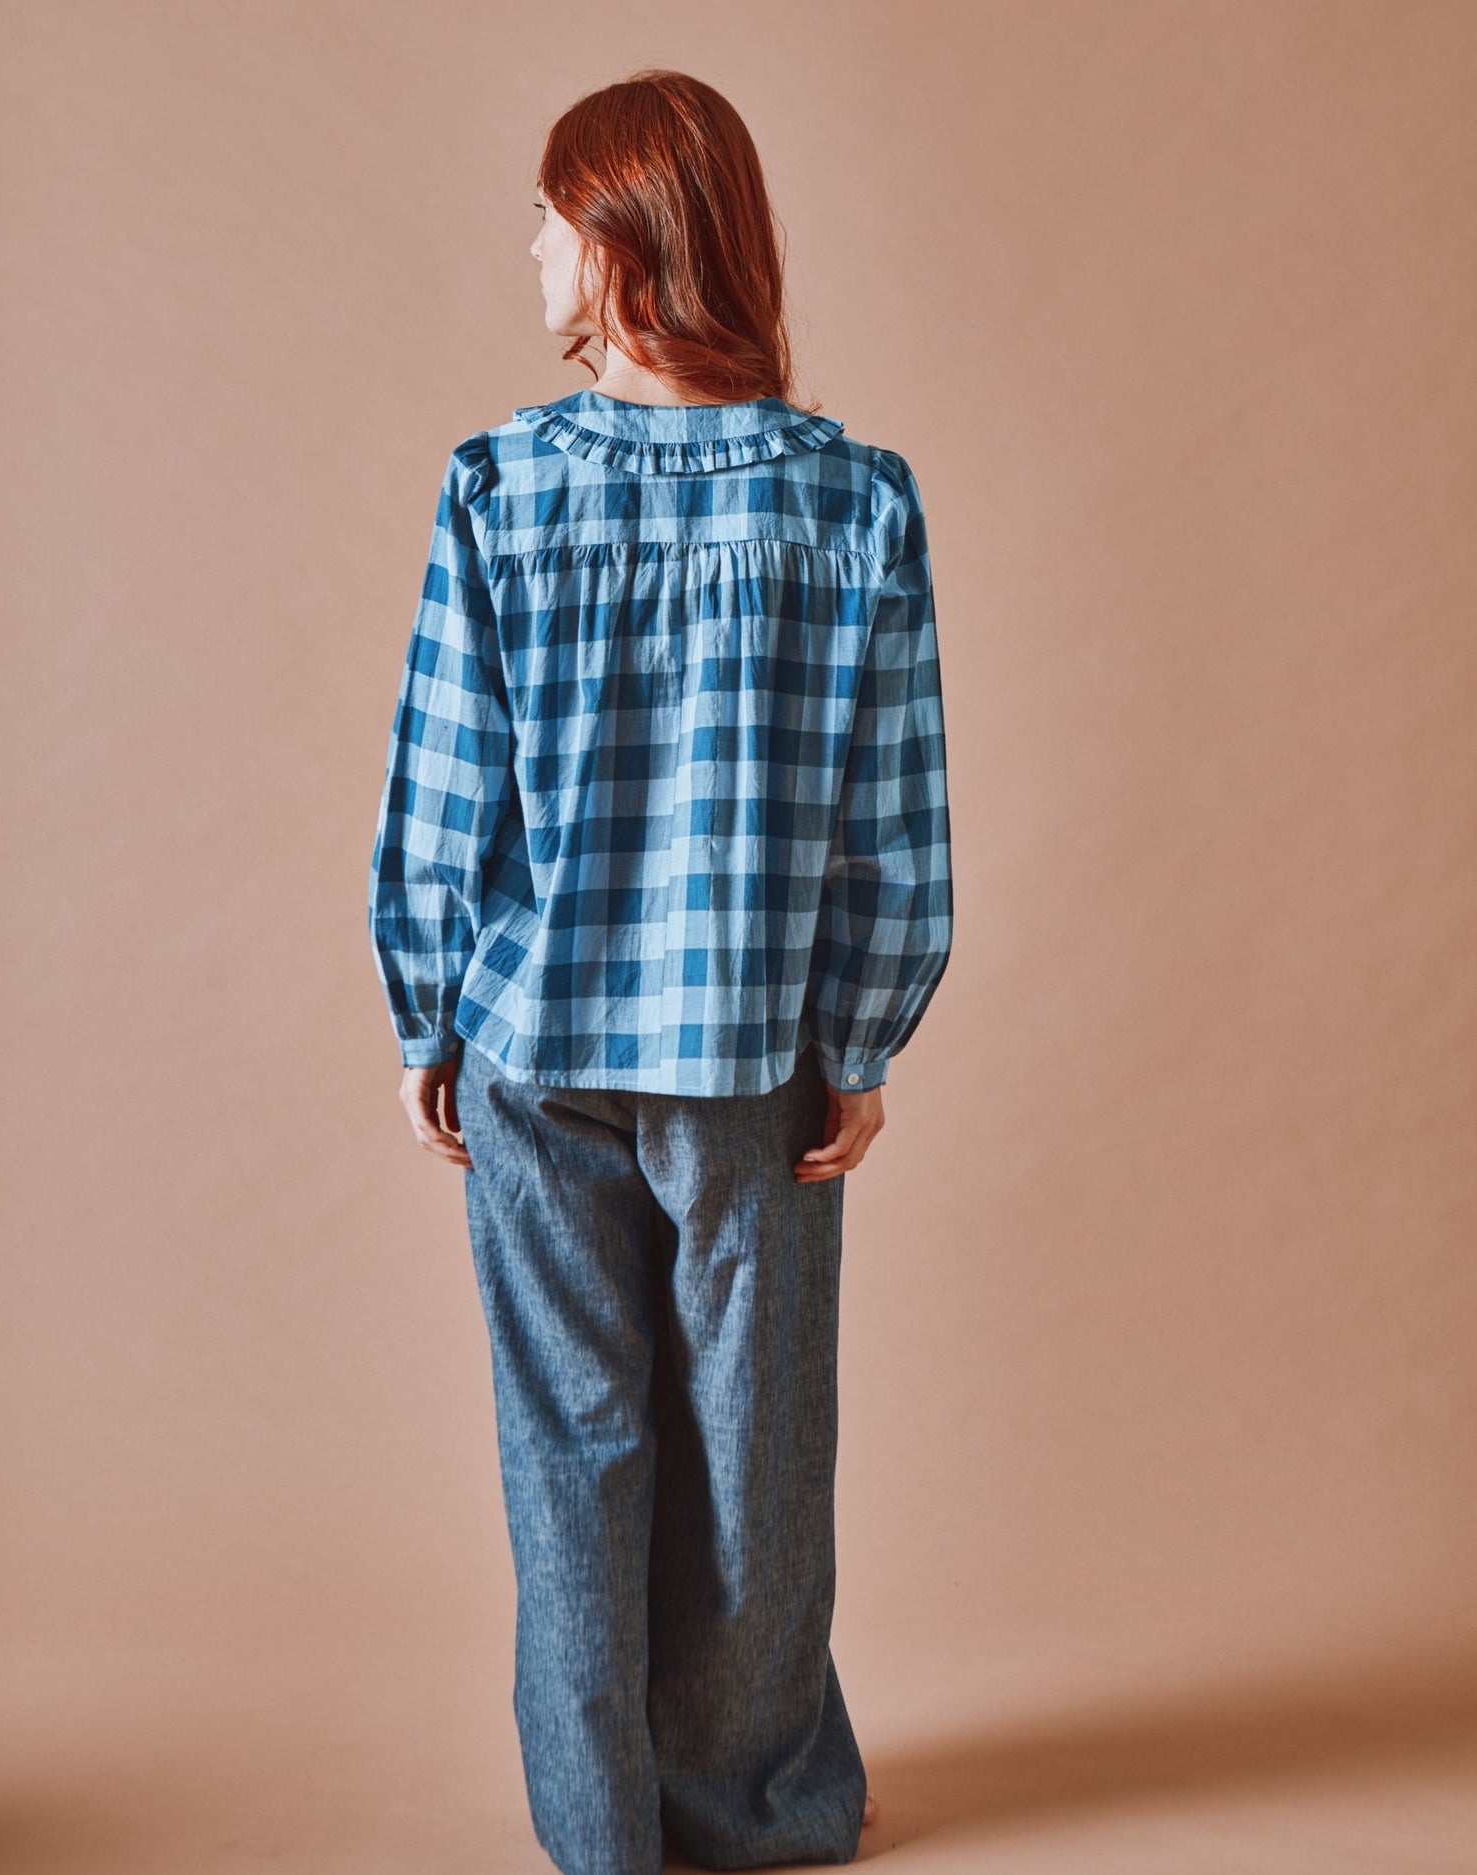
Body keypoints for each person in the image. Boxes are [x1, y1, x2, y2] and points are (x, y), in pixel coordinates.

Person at [367, 67, 953, 1875]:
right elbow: (889, 821)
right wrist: (860, 1036)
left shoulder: (497, 490)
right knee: (759, 1452)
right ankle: (754, 1802)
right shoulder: (854, 503)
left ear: (623, 242)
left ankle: (604, 1825)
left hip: (538, 1051)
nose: (534, 249)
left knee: (572, 1446)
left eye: (552, 217)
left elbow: (446, 793)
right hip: (753, 1058)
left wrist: (427, 1009)